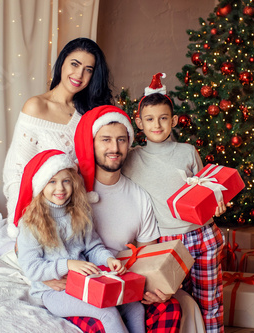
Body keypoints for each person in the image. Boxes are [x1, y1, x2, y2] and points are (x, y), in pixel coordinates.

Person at [121, 73, 226, 333]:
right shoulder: (132, 159)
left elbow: (204, 189)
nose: (157, 124)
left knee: (210, 298)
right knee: (176, 299)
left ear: (174, 120)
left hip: (202, 235)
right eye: (149, 119)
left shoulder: (187, 151)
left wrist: (217, 202)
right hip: (167, 242)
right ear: (139, 123)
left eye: (163, 118)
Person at [73, 105, 183, 332]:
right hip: (83, 286)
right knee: (102, 322)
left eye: (121, 140)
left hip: (124, 283)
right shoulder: (70, 190)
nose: (114, 148)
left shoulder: (139, 196)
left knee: (169, 308)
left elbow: (146, 257)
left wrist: (155, 287)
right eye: (105, 140)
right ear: (92, 143)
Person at [15, 149, 145, 333]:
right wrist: (68, 265)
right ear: (42, 184)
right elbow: (31, 268)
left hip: (85, 283)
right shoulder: (31, 223)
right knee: (108, 312)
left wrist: (108, 259)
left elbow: (93, 247)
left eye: (65, 181)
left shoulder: (79, 214)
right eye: (52, 181)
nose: (60, 188)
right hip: (53, 292)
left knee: (135, 307)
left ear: (73, 183)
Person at [3, 37, 113, 237]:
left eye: (88, 69)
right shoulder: (36, 106)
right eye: (75, 64)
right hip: (40, 217)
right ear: (62, 62)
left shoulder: (89, 114)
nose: (79, 74)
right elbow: (16, 172)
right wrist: (18, 224)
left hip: (81, 217)